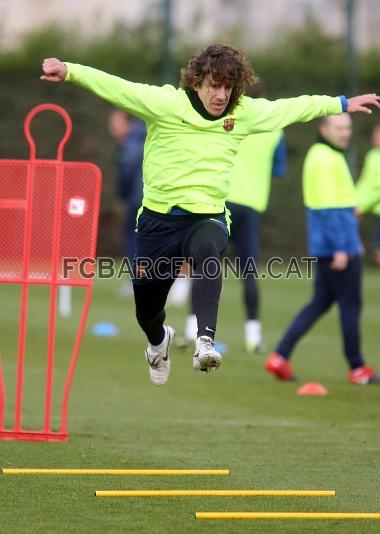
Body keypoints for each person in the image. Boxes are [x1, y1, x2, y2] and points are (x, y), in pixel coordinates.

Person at [41, 44, 380, 387]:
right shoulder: (165, 104)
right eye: (214, 85)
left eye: (228, 87)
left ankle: (205, 341)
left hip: (208, 216)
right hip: (158, 222)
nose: (221, 95)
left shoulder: (242, 113)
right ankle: (158, 343)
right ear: (197, 81)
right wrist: (69, 70)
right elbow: (115, 86)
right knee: (147, 310)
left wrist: (339, 104)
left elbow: (290, 109)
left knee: (208, 249)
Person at [266, 114, 380, 385]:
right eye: (339, 128)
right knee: (350, 306)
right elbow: (329, 210)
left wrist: (351, 238)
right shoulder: (326, 158)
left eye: (348, 128)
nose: (345, 133)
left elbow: (340, 204)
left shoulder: (324, 154)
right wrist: (343, 247)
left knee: (319, 303)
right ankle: (358, 368)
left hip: (332, 245)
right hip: (337, 249)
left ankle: (279, 357)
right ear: (323, 129)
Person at [108, 110, 146, 295]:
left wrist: (122, 194)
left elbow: (127, 171)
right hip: (156, 198)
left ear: (127, 123)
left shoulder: (131, 143)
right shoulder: (145, 137)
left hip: (139, 199)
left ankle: (138, 283)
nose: (112, 129)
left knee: (132, 239)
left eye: (115, 124)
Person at [356, 123, 380, 266]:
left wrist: (362, 206)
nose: (376, 136)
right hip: (373, 210)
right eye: (375, 133)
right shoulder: (371, 155)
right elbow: (365, 183)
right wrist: (355, 203)